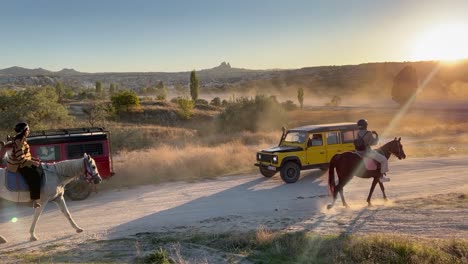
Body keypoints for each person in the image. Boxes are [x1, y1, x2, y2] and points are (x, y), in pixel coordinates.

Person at [7, 122, 42, 208]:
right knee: (34, 176)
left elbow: (26, 154)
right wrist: (32, 162)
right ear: (25, 130)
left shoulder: (22, 139)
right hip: (18, 165)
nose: (29, 131)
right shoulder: (19, 141)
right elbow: (21, 158)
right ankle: (33, 201)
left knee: (40, 169)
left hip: (23, 162)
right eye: (28, 129)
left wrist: (34, 159)